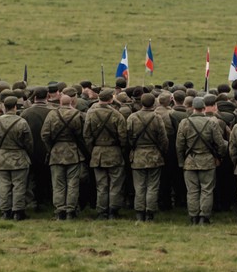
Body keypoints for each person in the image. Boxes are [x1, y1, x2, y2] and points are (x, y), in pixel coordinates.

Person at [176, 96, 227, 224]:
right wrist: (219, 157)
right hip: (208, 161)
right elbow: (220, 144)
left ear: (193, 108)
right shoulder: (212, 122)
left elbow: (179, 145)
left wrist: (181, 161)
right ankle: (204, 217)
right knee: (207, 190)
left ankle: (193, 217)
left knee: (192, 191)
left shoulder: (184, 123)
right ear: (204, 108)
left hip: (190, 161)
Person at [83, 88, 127, 220]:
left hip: (97, 153)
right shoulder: (117, 115)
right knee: (115, 184)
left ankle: (101, 211)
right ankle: (113, 211)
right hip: (114, 152)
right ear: (111, 99)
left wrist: (93, 149)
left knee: (101, 184)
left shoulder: (90, 114)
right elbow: (123, 137)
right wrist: (121, 150)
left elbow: (87, 136)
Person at [40, 92, 86, 220]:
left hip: (56, 153)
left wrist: (51, 148)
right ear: (71, 102)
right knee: (73, 183)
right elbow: (83, 135)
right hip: (73, 152)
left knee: (58, 183)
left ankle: (60, 210)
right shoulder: (79, 115)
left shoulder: (52, 114)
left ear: (60, 102)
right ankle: (71, 210)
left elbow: (44, 135)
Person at [126, 93, 168, 221]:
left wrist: (133, 148)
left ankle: (139, 212)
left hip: (138, 156)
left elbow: (127, 137)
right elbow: (163, 139)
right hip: (154, 156)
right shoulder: (157, 118)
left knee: (139, 186)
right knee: (152, 186)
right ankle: (150, 212)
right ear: (154, 103)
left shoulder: (132, 118)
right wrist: (162, 152)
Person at [0, 95, 34, 221]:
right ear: (15, 107)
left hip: (2, 157)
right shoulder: (22, 122)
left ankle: (5, 211)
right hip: (19, 157)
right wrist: (28, 155)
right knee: (19, 185)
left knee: (3, 185)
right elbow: (29, 143)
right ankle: (18, 211)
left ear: (4, 107)